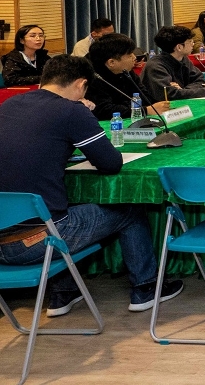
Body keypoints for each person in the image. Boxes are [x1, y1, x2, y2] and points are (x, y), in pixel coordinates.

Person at [0, 55, 183, 316]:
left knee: (58, 206)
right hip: (38, 242)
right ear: (81, 84)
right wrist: (82, 115)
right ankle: (147, 288)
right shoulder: (71, 111)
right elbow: (110, 163)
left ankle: (63, 293)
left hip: (3, 240)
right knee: (129, 209)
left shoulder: (10, 104)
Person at [86, 33, 169, 121]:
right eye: (129, 55)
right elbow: (104, 110)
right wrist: (145, 110)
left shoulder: (126, 71)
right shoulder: (92, 78)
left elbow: (145, 97)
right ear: (111, 62)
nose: (134, 57)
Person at [141, 25, 205, 103]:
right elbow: (169, 95)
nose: (193, 44)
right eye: (190, 41)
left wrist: (183, 90)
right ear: (179, 47)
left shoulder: (183, 59)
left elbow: (201, 81)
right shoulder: (155, 66)